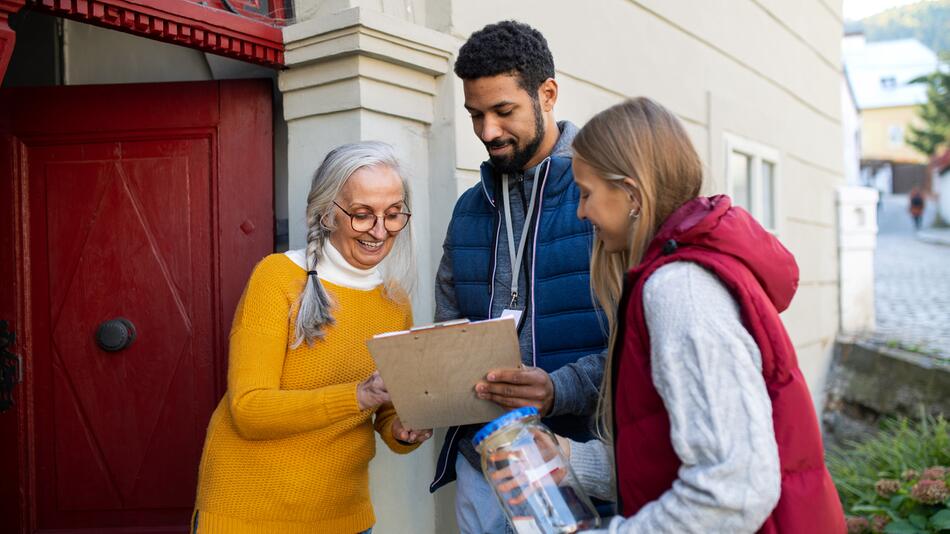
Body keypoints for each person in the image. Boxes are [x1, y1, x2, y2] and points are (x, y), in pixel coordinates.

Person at [556, 97, 846, 532]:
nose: (580, 211)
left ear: (632, 194)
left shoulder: (680, 291)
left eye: (586, 193)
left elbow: (735, 489)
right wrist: (569, 458)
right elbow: (665, 452)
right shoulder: (681, 274)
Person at [192, 141, 431, 534]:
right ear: (326, 214)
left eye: (393, 214)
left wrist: (403, 431)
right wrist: (358, 395)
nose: (379, 230)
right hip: (249, 512)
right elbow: (250, 410)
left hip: (344, 513)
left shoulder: (394, 301)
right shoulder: (276, 277)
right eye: (361, 214)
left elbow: (386, 409)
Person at [430, 20, 609, 534]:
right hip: (482, 462)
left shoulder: (602, 197)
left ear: (547, 94)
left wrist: (557, 390)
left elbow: (638, 344)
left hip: (577, 459)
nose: (487, 132)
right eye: (475, 116)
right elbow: (449, 329)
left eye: (503, 111)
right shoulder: (469, 209)